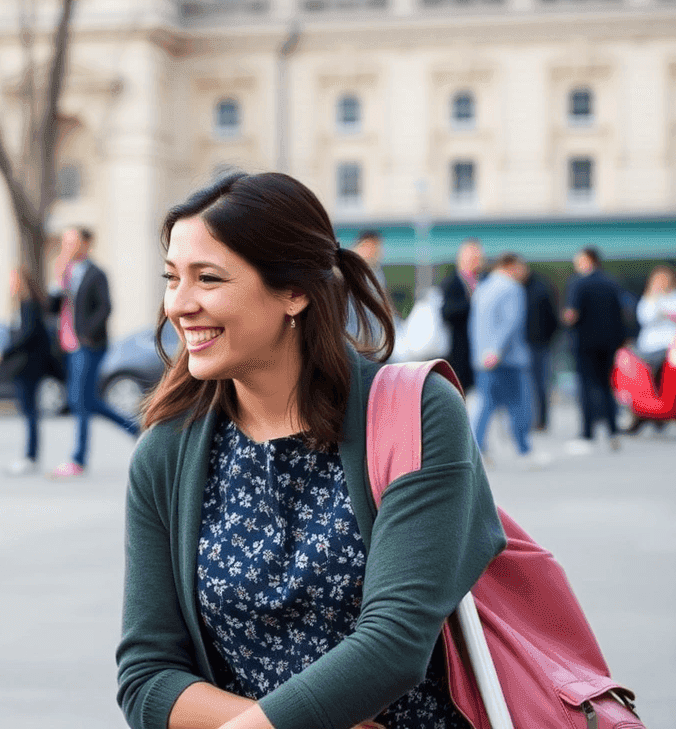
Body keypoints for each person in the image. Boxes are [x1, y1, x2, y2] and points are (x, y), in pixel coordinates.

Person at [117, 171, 504, 729]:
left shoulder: (416, 413)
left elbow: (394, 643)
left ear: (294, 292)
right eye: (172, 278)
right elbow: (147, 676)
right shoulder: (166, 452)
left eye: (208, 278)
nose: (179, 304)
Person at [48, 225, 139, 478]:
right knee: (85, 400)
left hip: (89, 345)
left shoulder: (96, 273)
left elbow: (105, 307)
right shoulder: (65, 274)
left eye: (72, 241)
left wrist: (87, 333)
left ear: (86, 243)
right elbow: (53, 308)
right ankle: (135, 429)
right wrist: (57, 281)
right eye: (64, 242)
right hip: (69, 346)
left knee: (79, 400)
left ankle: (78, 459)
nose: (66, 246)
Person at [469, 252, 539, 466]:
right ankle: (524, 450)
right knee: (519, 405)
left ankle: (478, 450)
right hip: (508, 358)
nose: (525, 272)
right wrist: (497, 351)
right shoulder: (512, 288)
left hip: (483, 358)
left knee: (485, 405)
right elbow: (510, 323)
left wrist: (484, 353)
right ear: (511, 265)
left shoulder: (482, 288)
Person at [563, 246, 627, 454]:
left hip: (585, 345)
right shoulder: (611, 283)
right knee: (607, 387)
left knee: (587, 388)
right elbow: (622, 314)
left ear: (587, 260)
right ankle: (613, 431)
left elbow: (571, 315)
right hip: (608, 345)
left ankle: (587, 433)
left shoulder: (578, 283)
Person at [0, 267, 56, 475]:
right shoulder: (27, 305)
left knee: (29, 412)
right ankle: (30, 456)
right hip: (28, 366)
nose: (10, 284)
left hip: (28, 367)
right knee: (30, 412)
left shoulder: (28, 305)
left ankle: (30, 456)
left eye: (13, 280)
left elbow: (27, 335)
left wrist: (3, 353)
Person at [636, 264, 676, 386]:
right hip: (652, 348)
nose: (662, 282)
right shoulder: (649, 299)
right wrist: (654, 297)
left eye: (665, 278)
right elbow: (644, 318)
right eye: (658, 279)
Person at [521, 260, 560, 432]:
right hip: (523, 344)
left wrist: (547, 339)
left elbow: (552, 317)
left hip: (539, 344)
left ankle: (541, 421)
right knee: (526, 385)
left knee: (540, 384)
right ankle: (527, 419)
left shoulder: (541, 288)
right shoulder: (516, 288)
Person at [441, 238, 483, 392]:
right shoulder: (452, 282)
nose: (477, 262)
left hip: (477, 349)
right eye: (473, 258)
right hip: (458, 349)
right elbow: (447, 312)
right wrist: (473, 302)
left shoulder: (481, 280)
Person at [345, 229, 387, 345]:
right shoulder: (347, 269)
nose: (374, 251)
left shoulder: (376, 272)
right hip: (350, 335)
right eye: (370, 246)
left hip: (370, 337)